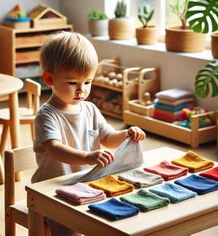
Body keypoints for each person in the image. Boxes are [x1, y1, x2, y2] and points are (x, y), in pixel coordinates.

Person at [32, 31, 146, 235]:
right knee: (70, 230)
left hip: (85, 184)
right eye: (73, 83)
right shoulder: (46, 115)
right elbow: (55, 149)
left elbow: (108, 138)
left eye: (87, 82)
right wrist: (87, 156)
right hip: (51, 191)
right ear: (49, 79)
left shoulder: (90, 109)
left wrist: (127, 134)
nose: (81, 90)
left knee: (115, 217)